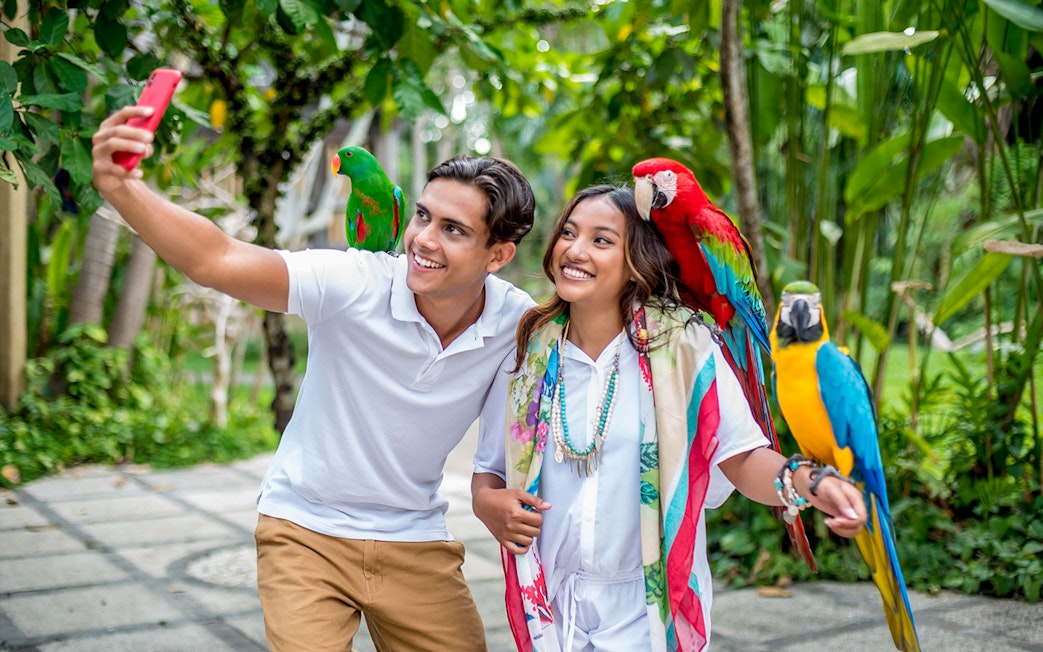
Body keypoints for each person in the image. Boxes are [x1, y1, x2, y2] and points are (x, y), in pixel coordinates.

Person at [92, 103, 537, 651]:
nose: (422, 239)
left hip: (415, 538)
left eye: (453, 230)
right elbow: (217, 258)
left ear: (499, 254)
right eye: (422, 216)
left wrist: (488, 493)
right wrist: (121, 187)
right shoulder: (355, 281)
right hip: (304, 532)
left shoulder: (516, 324)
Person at [471, 185, 867, 651]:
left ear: (636, 259)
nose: (574, 250)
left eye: (601, 240)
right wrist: (487, 505)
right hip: (551, 607)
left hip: (648, 609)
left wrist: (809, 482)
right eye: (569, 233)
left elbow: (739, 458)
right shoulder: (528, 350)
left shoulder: (684, 349)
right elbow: (489, 471)